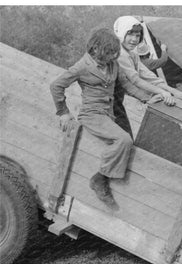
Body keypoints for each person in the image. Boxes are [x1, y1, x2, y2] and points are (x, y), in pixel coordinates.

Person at [50, 28, 161, 210]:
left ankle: (106, 176)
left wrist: (148, 99)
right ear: (96, 49)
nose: (113, 56)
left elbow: (126, 85)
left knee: (130, 142)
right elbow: (56, 86)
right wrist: (63, 112)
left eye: (114, 53)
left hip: (108, 115)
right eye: (109, 52)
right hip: (92, 114)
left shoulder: (113, 64)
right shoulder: (82, 66)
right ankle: (99, 179)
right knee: (124, 140)